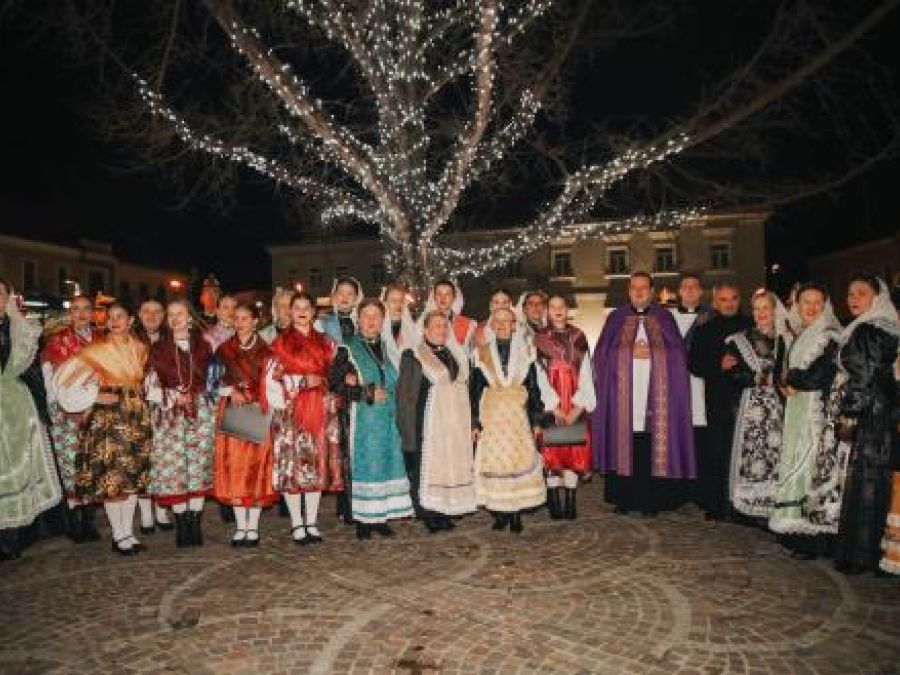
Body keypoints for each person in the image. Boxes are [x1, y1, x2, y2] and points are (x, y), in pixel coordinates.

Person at [592, 272, 696, 516]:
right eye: (634, 288)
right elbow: (601, 355)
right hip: (623, 396)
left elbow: (679, 355)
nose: (639, 292)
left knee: (651, 445)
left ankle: (652, 501)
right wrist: (628, 353)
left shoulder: (664, 317)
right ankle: (624, 499)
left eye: (643, 288)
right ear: (628, 291)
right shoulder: (616, 317)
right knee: (624, 442)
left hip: (656, 396)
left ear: (651, 291)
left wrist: (655, 352)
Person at [54, 301, 152, 556]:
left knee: (131, 477)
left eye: (120, 316)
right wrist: (95, 394)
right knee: (112, 478)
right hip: (109, 419)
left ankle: (128, 532)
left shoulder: (141, 349)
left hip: (135, 417)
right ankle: (119, 535)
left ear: (131, 320)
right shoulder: (96, 350)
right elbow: (63, 379)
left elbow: (147, 382)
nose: (115, 321)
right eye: (111, 317)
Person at [831, 275, 899, 574]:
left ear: (877, 297)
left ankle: (859, 556)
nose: (853, 298)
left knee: (866, 480)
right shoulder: (885, 327)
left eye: (861, 293)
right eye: (850, 293)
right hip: (884, 410)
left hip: (870, 413)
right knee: (876, 478)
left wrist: (849, 414)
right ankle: (872, 552)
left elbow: (863, 377)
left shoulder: (868, 330)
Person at [329, 298, 414, 540]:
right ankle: (363, 521)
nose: (371, 320)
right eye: (366, 315)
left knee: (386, 465)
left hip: (387, 420)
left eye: (376, 315)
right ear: (358, 320)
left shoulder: (388, 349)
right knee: (366, 468)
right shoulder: (347, 349)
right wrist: (364, 392)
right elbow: (334, 383)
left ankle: (380, 517)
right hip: (362, 421)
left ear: (382, 320)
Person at [769, 283, 841, 558]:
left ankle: (811, 537)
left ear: (825, 305)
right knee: (795, 463)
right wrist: (783, 385)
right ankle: (794, 531)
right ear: (797, 306)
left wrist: (791, 380)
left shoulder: (829, 335)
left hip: (816, 413)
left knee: (810, 467)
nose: (811, 307)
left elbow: (820, 375)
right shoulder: (802, 334)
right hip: (797, 410)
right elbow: (786, 371)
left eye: (817, 302)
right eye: (805, 302)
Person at [266, 292, 343, 545]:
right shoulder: (279, 344)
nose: (301, 311)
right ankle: (297, 523)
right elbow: (269, 381)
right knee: (293, 467)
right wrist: (300, 381)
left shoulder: (327, 343)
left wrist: (335, 385)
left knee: (315, 465)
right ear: (289, 312)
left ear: (313, 312)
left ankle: (311, 521)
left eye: (306, 307)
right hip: (291, 412)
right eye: (296, 307)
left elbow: (335, 374)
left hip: (321, 408)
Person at [396, 310, 476, 533]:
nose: (441, 330)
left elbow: (464, 392)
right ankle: (428, 513)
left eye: (444, 326)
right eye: (436, 326)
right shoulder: (413, 356)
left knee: (447, 467)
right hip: (426, 425)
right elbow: (405, 397)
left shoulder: (454, 355)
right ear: (425, 329)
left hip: (452, 425)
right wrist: (408, 433)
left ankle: (444, 509)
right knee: (427, 469)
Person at [0, 278, 62, 561]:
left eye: (1, 294)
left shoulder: (23, 330)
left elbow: (33, 373)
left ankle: (12, 538)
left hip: (17, 408)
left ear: (9, 297)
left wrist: (43, 411)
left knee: (19, 469)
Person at [147, 299, 216, 547]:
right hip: (170, 418)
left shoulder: (204, 346)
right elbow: (149, 386)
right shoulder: (158, 349)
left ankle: (194, 523)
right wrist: (173, 396)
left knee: (198, 469)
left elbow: (214, 381)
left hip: (200, 415)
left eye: (180, 314)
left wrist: (202, 395)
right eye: (171, 315)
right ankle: (182, 524)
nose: (176, 319)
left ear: (190, 318)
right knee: (174, 471)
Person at [470, 307, 546, 533]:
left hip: (517, 418)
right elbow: (475, 390)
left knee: (517, 462)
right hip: (492, 418)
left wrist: (536, 420)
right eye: (498, 321)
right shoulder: (481, 353)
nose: (502, 325)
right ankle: (500, 512)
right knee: (496, 464)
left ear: (514, 325)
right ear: (492, 325)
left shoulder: (526, 351)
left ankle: (515, 513)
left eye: (507, 321)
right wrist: (474, 421)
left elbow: (533, 389)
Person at [213, 303, 278, 547]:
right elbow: (213, 379)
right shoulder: (223, 349)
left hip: (258, 409)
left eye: (245, 318)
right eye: (237, 318)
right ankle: (241, 526)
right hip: (234, 409)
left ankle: (253, 527)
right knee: (236, 468)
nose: (240, 323)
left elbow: (274, 382)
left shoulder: (266, 350)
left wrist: (258, 395)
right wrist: (231, 391)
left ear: (255, 321)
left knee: (256, 467)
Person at [41, 293, 104, 542]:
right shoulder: (58, 340)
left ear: (93, 313)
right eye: (76, 309)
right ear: (70, 313)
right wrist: (55, 406)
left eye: (86, 308)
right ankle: (74, 522)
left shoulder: (102, 339)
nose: (81, 314)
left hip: (96, 409)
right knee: (71, 465)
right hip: (65, 412)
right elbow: (49, 376)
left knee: (92, 463)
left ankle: (88, 519)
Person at [689, 283, 753, 520]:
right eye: (724, 299)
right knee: (718, 452)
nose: (729, 304)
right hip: (718, 399)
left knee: (748, 450)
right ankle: (717, 505)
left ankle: (745, 508)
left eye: (733, 298)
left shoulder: (751, 326)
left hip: (749, 398)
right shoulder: (704, 330)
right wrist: (718, 364)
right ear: (715, 302)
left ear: (739, 300)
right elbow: (694, 364)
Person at [725, 290, 788, 518]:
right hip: (752, 405)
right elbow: (733, 372)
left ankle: (773, 504)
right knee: (752, 452)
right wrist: (757, 378)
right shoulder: (740, 340)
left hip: (780, 406)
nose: (761, 313)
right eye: (756, 309)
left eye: (765, 308)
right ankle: (750, 507)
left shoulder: (786, 339)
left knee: (776, 452)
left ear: (775, 311)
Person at [534, 295, 595, 520]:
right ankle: (554, 499)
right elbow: (538, 374)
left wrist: (578, 406)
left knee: (572, 449)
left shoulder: (578, 336)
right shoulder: (540, 338)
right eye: (553, 306)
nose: (558, 310)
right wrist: (553, 406)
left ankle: (570, 498)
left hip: (574, 399)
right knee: (552, 451)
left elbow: (586, 372)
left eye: (562, 306)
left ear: (567, 309)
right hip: (551, 401)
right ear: (547, 311)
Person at [134, 298, 173, 533]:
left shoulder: (171, 340)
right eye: (146, 311)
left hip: (166, 407)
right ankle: (146, 513)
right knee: (142, 458)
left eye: (157, 311)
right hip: (137, 407)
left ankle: (161, 508)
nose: (151, 315)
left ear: (163, 315)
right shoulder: (130, 340)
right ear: (139, 315)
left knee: (163, 458)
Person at [419, 279, 476, 351]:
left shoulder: (468, 324)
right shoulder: (424, 321)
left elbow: (471, 351)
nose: (443, 298)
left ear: (454, 297)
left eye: (448, 294)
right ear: (434, 297)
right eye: (439, 294)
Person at [381, 283, 419, 370]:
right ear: (385, 303)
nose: (398, 304)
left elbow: (416, 348)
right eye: (394, 301)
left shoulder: (409, 327)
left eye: (401, 300)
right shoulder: (379, 327)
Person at [315, 276, 362, 345]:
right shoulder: (322, 322)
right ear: (334, 296)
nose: (345, 297)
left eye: (350, 294)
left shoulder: (363, 320)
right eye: (340, 293)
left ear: (356, 297)